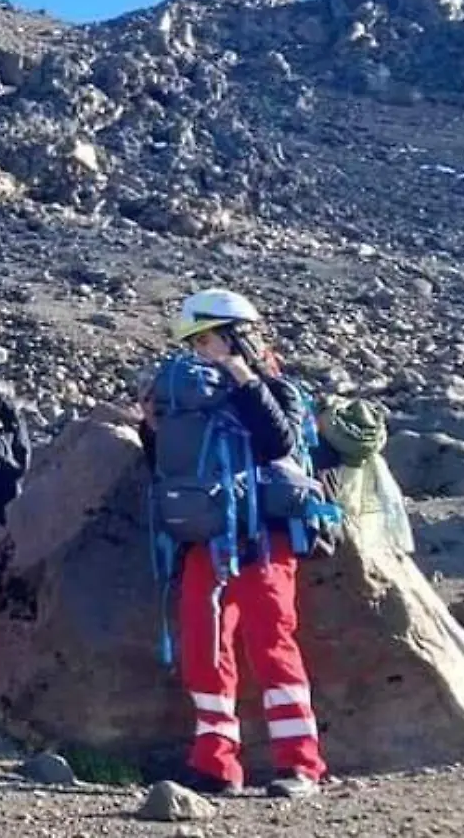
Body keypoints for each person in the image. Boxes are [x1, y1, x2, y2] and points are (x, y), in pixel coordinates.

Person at [146, 289, 328, 799]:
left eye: (207, 340)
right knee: (204, 646)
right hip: (208, 540)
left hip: (264, 538)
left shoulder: (277, 388)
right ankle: (215, 763)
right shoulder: (190, 401)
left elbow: (280, 442)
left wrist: (245, 378)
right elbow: (164, 463)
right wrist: (153, 424)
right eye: (195, 343)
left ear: (237, 336)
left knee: (271, 643)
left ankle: (301, 765)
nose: (201, 352)